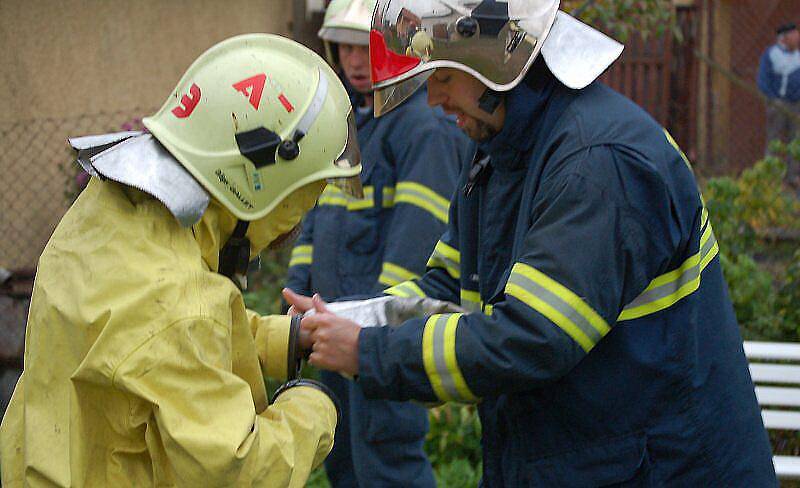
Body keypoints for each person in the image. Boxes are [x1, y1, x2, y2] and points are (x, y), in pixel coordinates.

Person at [286, 0, 779, 484]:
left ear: (499, 60)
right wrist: (337, 320)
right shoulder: (501, 153)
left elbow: (531, 338)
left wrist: (370, 352)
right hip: (578, 459)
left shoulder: (599, 162)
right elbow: (447, 289)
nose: (433, 99)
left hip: (661, 468)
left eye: (443, 76)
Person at [0, 34, 363, 487]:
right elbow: (237, 469)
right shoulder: (181, 304)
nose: (300, 218)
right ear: (262, 184)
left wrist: (281, 339)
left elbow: (143, 337)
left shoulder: (108, 213)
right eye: (305, 196)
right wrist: (312, 406)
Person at [284, 0, 469, 485]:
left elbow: (416, 247)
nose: (355, 62)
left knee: (387, 461)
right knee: (343, 459)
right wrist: (295, 293)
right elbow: (317, 224)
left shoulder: (422, 130)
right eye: (344, 49)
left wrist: (379, 336)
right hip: (330, 326)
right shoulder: (351, 127)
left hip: (374, 339)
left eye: (367, 48)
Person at [758, 22, 800, 189]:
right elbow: (763, 80)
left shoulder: (797, 57)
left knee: (795, 140)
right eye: (794, 36)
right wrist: (772, 99)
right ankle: (771, 175)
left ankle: (793, 175)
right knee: (774, 139)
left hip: (795, 104)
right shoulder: (771, 55)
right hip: (777, 103)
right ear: (784, 38)